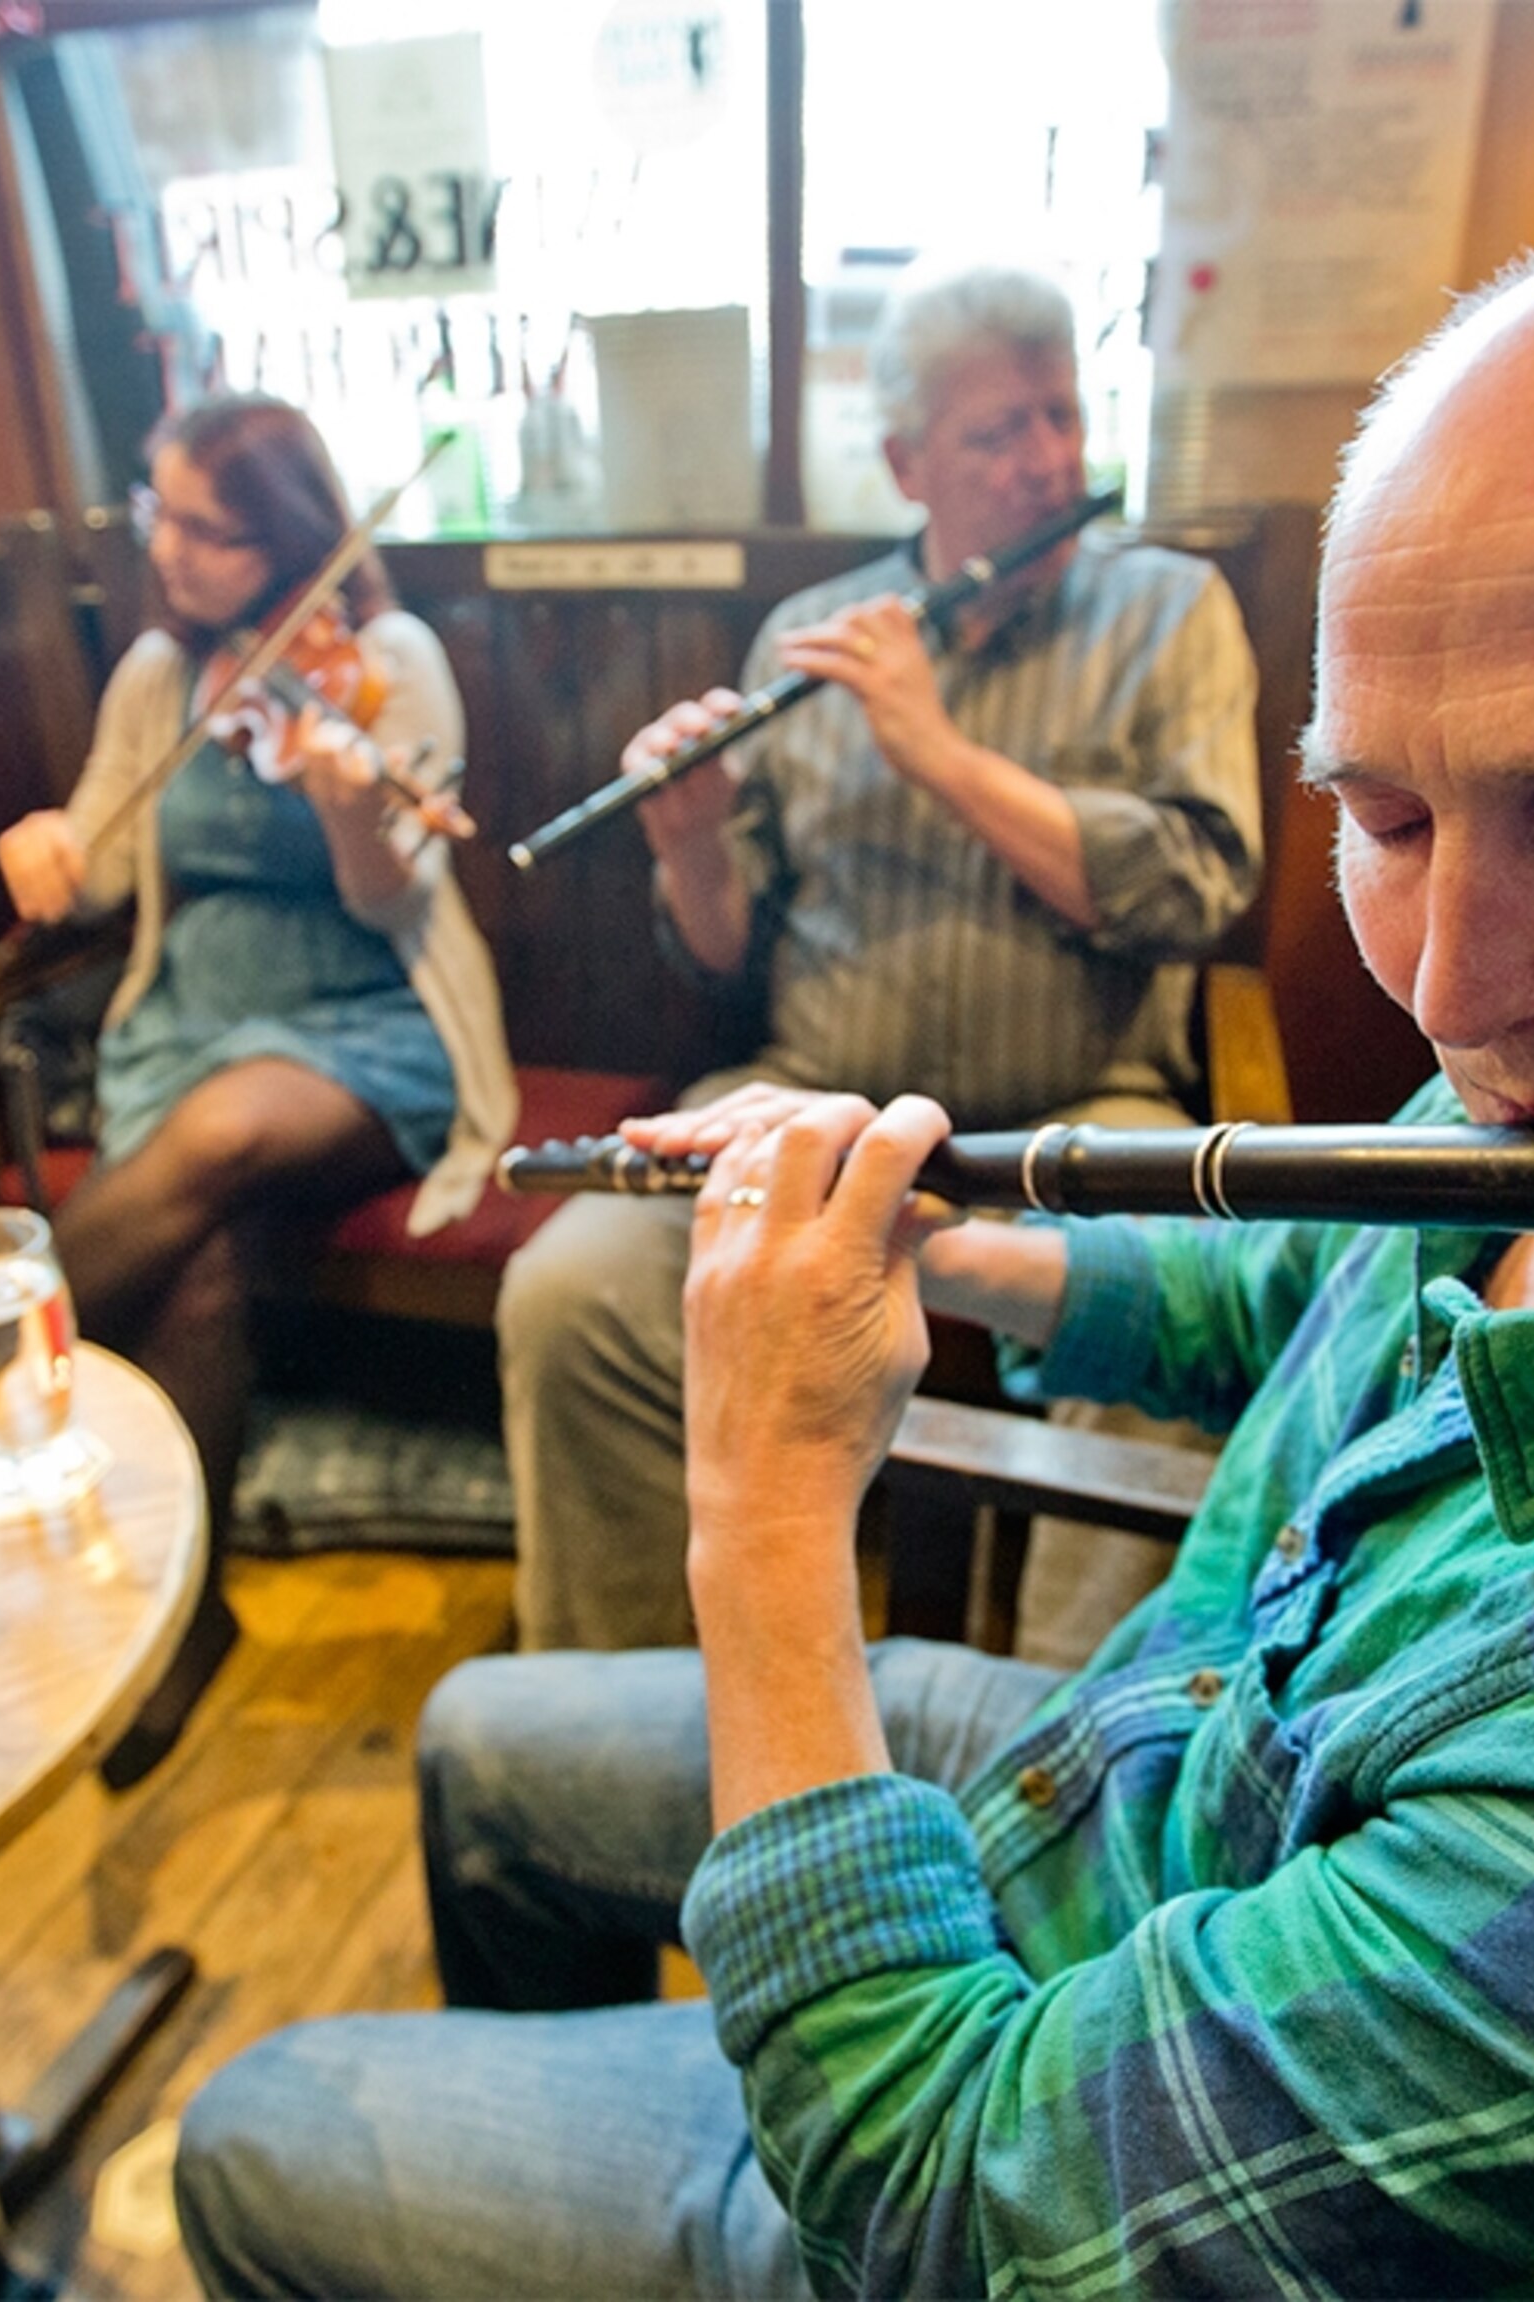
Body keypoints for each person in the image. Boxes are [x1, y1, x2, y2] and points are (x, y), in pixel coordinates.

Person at [172, 171, 1534, 2296]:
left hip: (1005, 2132)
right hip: (1173, 1754)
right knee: (481, 1738)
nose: (1456, 995)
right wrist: (956, 1242)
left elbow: (950, 2213)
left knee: (254, 2132)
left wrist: (764, 1514)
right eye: (1388, 813)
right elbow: (1301, 1278)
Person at [498, 260, 1262, 1652]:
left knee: (1176, 1304)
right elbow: (729, 959)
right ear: (909, 464)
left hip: (1082, 1115)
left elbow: (1197, 888)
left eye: (1060, 415)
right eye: (997, 433)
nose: (1047, 460)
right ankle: (626, 1703)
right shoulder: (812, 641)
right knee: (573, 1291)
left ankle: (1067, 1728)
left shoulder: (1170, 610)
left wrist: (939, 753)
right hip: (812, 1099)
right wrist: (691, 843)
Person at [0, 392, 515, 1786]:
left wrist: (351, 803)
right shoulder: (159, 675)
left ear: (288, 534)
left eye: (208, 530)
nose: (170, 551)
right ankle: (184, 1612)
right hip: (186, 1016)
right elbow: (104, 856)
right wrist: (48, 850)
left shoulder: (386, 662)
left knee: (216, 1138)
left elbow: (395, 895)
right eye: (159, 516)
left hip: (365, 1019)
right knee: (201, 1259)